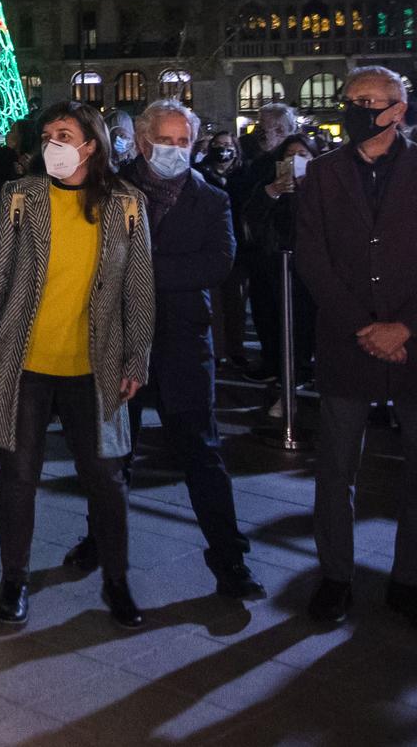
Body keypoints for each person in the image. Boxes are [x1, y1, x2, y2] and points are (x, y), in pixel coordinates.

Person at [296, 66, 417, 637]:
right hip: (348, 344)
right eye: (350, 99)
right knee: (335, 470)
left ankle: (412, 582)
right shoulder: (323, 175)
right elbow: (313, 261)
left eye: (367, 101)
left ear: (398, 109)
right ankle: (336, 577)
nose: (355, 109)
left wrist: (403, 328)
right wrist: (365, 328)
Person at [0, 101, 155, 629]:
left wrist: (137, 355)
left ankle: (116, 579)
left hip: (95, 366)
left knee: (106, 478)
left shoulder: (127, 204)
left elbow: (139, 289)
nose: (53, 144)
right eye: (47, 134)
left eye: (65, 134)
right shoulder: (21, 197)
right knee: (17, 475)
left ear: (91, 144)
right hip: (26, 361)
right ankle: (14, 579)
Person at [123, 101, 264, 601]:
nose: (176, 151)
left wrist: (143, 269)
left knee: (202, 453)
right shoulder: (114, 189)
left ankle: (229, 558)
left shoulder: (211, 197)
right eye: (167, 141)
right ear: (143, 142)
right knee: (114, 452)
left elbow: (218, 262)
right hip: (121, 343)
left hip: (184, 342)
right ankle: (101, 544)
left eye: (184, 142)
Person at [244, 128, 321, 415]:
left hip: (313, 273)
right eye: (290, 155)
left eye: (303, 155)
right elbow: (251, 219)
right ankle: (286, 383)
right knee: (280, 328)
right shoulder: (269, 185)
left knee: (308, 330)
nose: (296, 160)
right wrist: (273, 191)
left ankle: (306, 378)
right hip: (276, 270)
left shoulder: (326, 187)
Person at [232, 103, 301, 380]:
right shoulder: (257, 161)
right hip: (260, 251)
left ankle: (292, 365)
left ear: (282, 130)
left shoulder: (296, 160)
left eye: (265, 126)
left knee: (289, 313)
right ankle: (272, 360)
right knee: (264, 310)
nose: (259, 131)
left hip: (288, 251)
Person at [195, 130, 249, 364]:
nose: (223, 149)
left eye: (227, 145)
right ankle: (217, 350)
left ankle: (235, 349)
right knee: (214, 303)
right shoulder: (200, 174)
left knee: (236, 303)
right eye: (218, 144)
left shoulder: (243, 175)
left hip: (240, 247)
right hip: (210, 245)